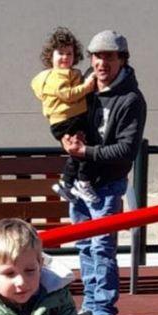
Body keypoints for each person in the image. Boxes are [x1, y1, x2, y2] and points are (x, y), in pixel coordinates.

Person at [60, 29, 147, 315]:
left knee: (101, 249)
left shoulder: (131, 99)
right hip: (81, 180)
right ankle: (92, 304)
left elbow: (125, 150)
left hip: (107, 185)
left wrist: (86, 152)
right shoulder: (85, 89)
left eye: (109, 56)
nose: (101, 63)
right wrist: (69, 141)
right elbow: (68, 119)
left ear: (122, 59)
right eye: (97, 56)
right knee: (84, 247)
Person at [30, 27, 99, 204]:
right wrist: (88, 86)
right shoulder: (56, 75)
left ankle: (66, 183)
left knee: (76, 151)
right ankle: (83, 182)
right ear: (50, 56)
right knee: (85, 149)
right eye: (60, 53)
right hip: (67, 120)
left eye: (69, 53)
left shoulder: (69, 73)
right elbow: (67, 94)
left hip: (69, 119)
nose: (65, 58)